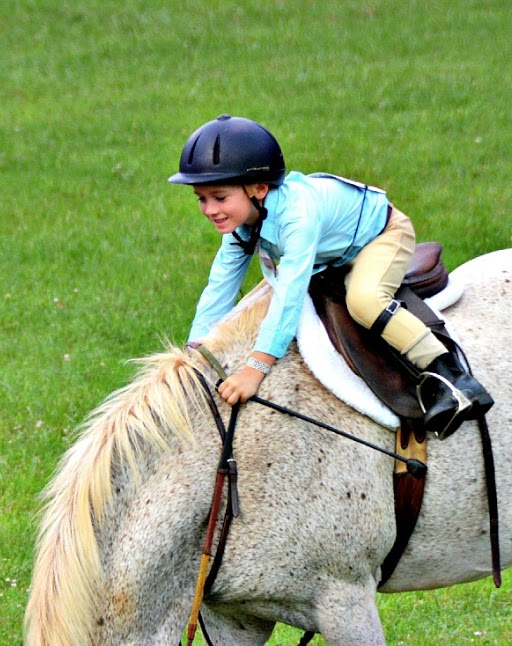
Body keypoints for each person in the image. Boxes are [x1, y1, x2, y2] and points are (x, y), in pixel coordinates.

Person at [171, 114, 493, 437]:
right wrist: (194, 355)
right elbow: (220, 286)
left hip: (382, 236)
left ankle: (450, 375)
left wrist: (255, 368)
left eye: (220, 197)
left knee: (365, 301)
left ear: (259, 188)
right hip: (331, 256)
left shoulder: (298, 216)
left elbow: (290, 292)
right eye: (202, 198)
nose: (210, 210)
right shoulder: (241, 226)